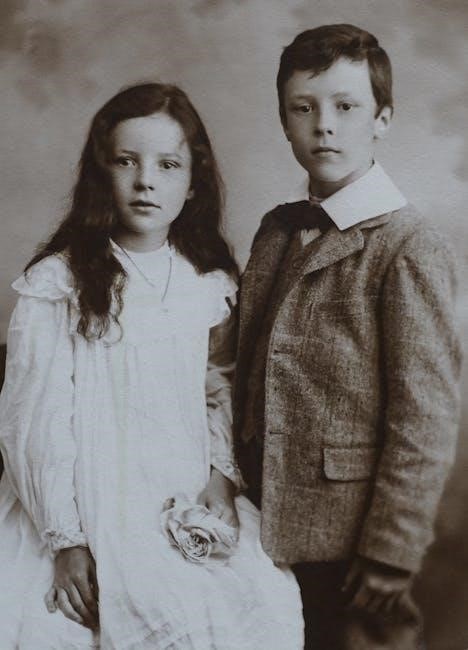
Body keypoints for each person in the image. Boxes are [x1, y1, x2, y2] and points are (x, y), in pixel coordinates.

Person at [0, 82, 303, 649]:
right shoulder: (58, 283)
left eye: (168, 165)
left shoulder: (207, 282)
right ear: (101, 174)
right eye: (126, 161)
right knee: (60, 625)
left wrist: (219, 477)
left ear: (193, 184)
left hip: (180, 484)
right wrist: (66, 539)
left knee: (260, 603)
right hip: (85, 492)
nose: (146, 181)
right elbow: (35, 422)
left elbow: (218, 386)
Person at [233, 23, 462, 650]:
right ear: (284, 120)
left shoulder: (407, 246)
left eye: (346, 107)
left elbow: (425, 416)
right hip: (260, 520)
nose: (324, 127)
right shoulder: (278, 229)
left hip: (350, 537)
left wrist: (391, 550)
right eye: (303, 108)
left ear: (381, 119)